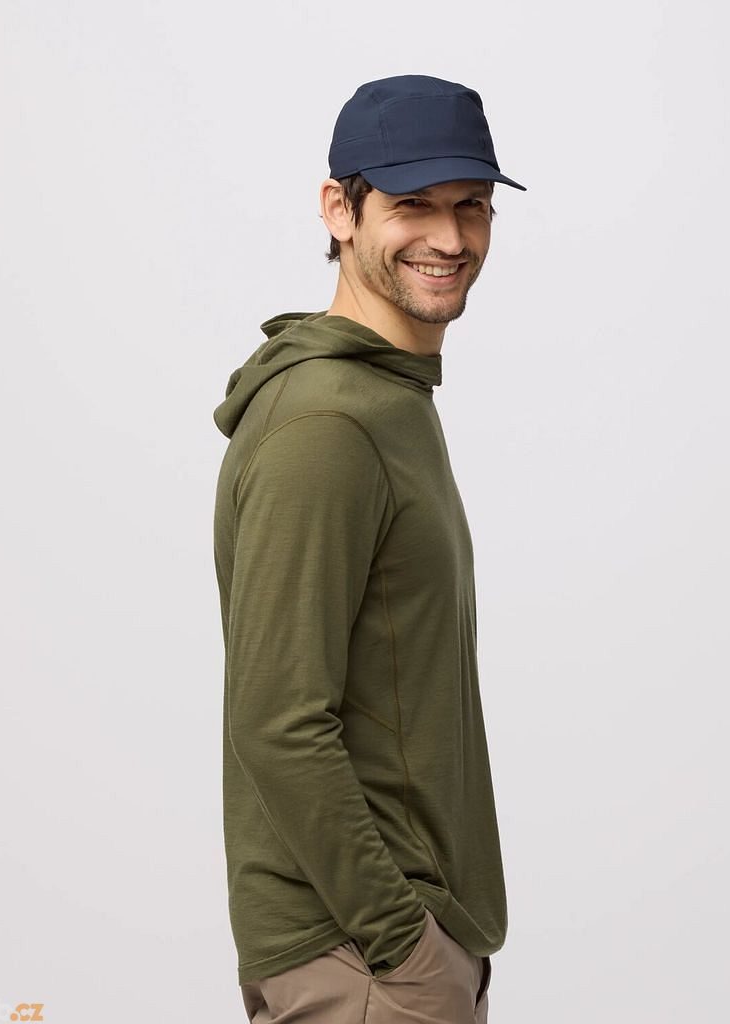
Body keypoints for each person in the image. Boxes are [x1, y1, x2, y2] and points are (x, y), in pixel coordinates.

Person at [212, 74, 526, 1023]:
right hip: (362, 962)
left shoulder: (387, 397)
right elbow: (278, 721)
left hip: (391, 950)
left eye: (471, 206)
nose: (451, 238)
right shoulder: (328, 426)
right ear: (339, 211)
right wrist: (401, 944)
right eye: (413, 205)